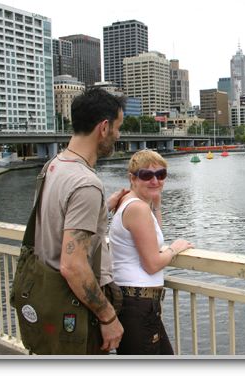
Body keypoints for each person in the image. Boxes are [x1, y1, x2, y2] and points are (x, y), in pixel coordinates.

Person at [35, 87, 127, 354]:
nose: (118, 136)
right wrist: (108, 316)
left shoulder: (52, 166)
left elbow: (57, 221)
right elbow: (73, 265)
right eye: (118, 128)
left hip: (46, 301)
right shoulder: (86, 184)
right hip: (74, 312)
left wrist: (102, 210)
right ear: (104, 127)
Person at [109, 149, 194, 355]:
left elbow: (153, 240)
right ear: (133, 178)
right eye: (147, 175)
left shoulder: (130, 201)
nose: (155, 180)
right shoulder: (138, 208)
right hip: (137, 304)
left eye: (161, 174)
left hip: (134, 301)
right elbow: (152, 263)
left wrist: (156, 205)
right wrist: (175, 248)